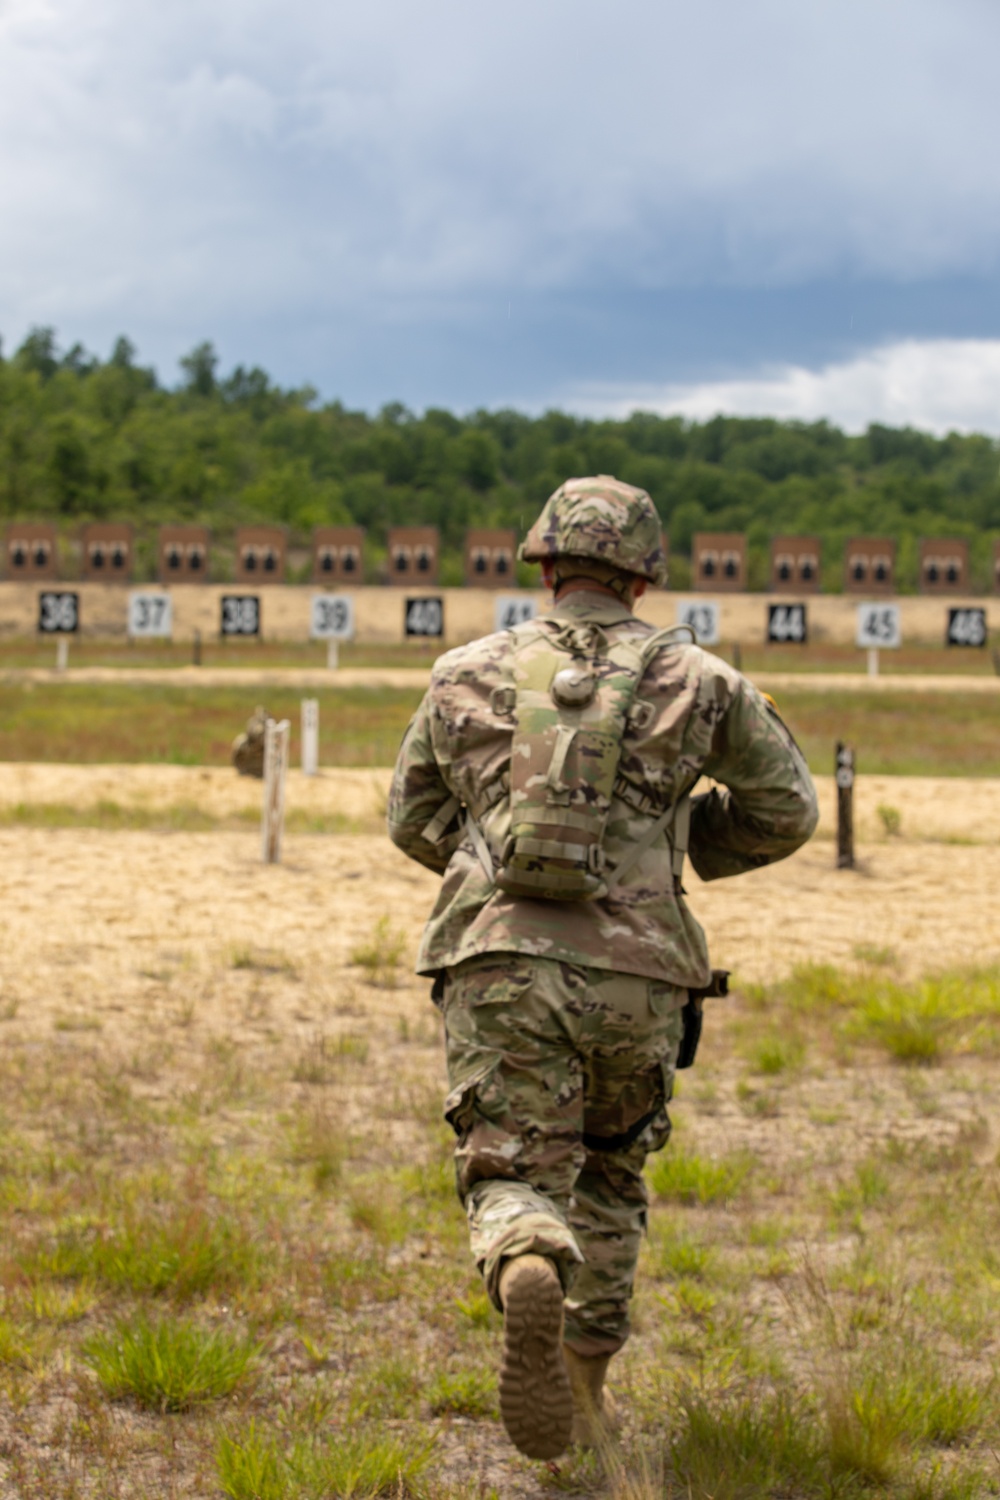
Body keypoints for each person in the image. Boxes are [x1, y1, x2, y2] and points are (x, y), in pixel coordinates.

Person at [387, 476, 818, 1461]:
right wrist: (686, 846)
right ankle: (581, 1390)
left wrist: (486, 861)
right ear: (643, 577)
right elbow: (789, 810)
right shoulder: (700, 678)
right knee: (613, 1171)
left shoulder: (463, 669)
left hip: (497, 964)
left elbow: (409, 815)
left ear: (542, 565)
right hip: (640, 973)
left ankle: (524, 1250)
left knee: (508, 1166)